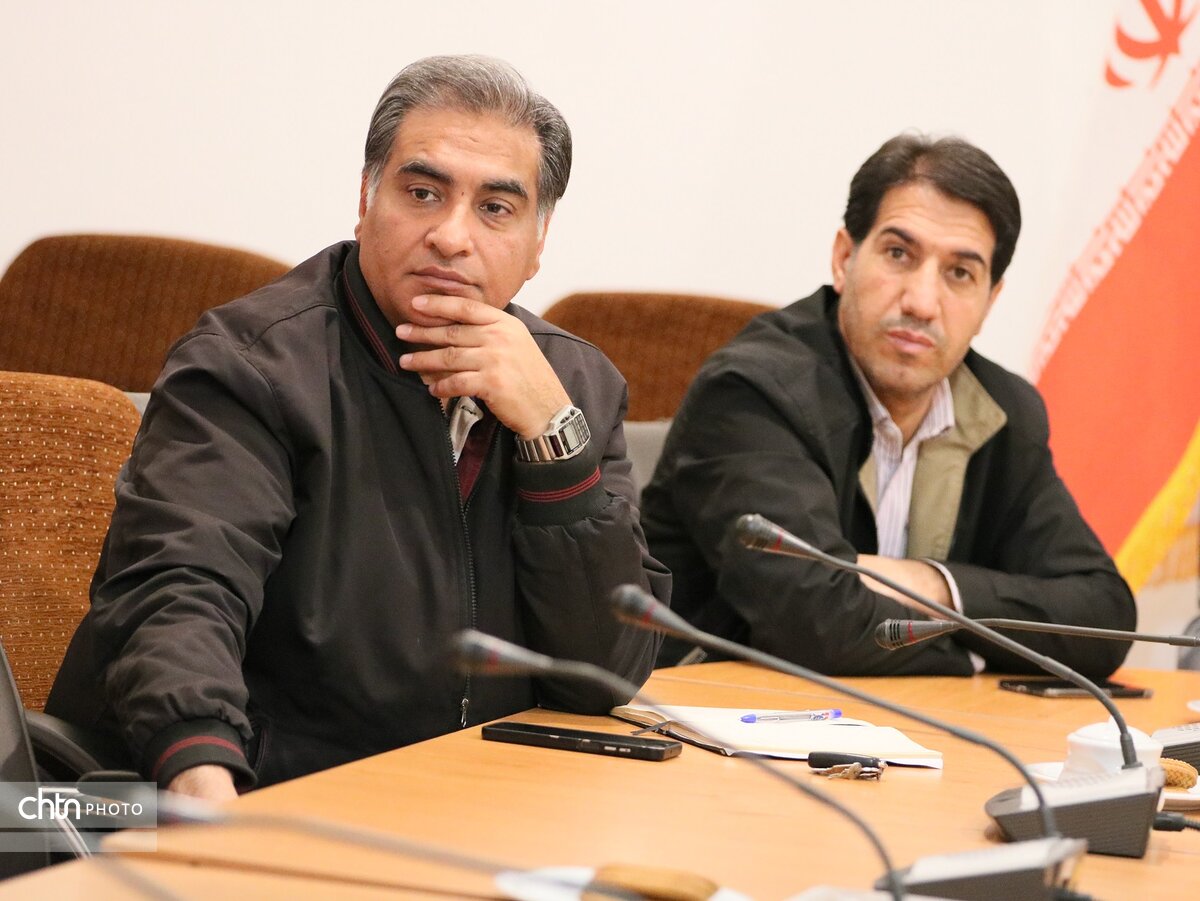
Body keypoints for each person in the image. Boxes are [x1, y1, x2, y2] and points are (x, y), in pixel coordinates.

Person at [47, 55, 670, 800]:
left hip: (474, 807)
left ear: (539, 242)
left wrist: (551, 435)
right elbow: (179, 591)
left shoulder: (574, 387)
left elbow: (606, 673)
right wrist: (199, 771)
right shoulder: (252, 365)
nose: (452, 236)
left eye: (495, 208)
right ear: (367, 199)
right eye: (422, 193)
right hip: (264, 795)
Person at [641, 133, 1135, 677]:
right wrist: (981, 647)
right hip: (699, 717)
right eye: (899, 255)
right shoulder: (754, 391)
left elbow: (1104, 617)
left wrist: (932, 585)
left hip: (883, 722)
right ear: (844, 258)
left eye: (959, 273)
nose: (921, 302)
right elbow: (821, 625)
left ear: (989, 302)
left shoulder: (1002, 415)